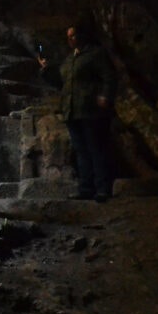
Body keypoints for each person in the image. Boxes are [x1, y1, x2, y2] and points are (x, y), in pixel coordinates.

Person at [38, 24, 118, 201]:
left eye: (73, 35)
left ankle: (103, 189)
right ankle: (86, 188)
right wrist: (46, 71)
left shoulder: (96, 54)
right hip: (72, 111)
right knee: (81, 151)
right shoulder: (69, 60)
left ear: (83, 35)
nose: (70, 39)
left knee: (97, 149)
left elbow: (109, 76)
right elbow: (62, 84)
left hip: (91, 110)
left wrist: (105, 96)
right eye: (68, 36)